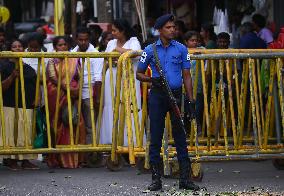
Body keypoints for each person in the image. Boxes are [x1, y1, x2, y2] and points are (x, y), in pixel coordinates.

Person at [136, 14, 200, 191]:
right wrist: (151, 80)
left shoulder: (181, 49)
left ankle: (185, 179)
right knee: (155, 136)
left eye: (174, 27)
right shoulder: (149, 50)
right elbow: (138, 73)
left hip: (177, 95)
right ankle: (156, 179)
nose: (173, 30)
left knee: (180, 136)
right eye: (169, 27)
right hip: (157, 95)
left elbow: (186, 75)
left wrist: (190, 100)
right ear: (159, 30)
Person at [46, 36, 86, 168]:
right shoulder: (52, 61)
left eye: (64, 45)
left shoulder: (74, 59)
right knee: (57, 125)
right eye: (59, 45)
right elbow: (52, 78)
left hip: (73, 97)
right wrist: (67, 89)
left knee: (75, 123)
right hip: (58, 97)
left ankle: (76, 159)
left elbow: (79, 77)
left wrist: (76, 90)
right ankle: (57, 159)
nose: (62, 47)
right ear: (55, 47)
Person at [100, 19, 141, 145]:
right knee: (111, 105)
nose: (112, 33)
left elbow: (137, 54)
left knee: (130, 105)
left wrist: (117, 50)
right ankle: (112, 139)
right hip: (111, 76)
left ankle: (131, 140)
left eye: (115, 30)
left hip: (128, 78)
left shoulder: (133, 41)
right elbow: (106, 59)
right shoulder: (111, 42)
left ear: (123, 31)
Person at [0, 39, 39, 170]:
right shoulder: (3, 67)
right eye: (14, 46)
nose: (17, 49)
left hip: (26, 105)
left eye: (20, 46)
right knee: (10, 132)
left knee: (26, 132)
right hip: (9, 105)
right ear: (9, 50)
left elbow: (35, 86)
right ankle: (10, 159)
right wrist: (11, 77)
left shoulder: (29, 69)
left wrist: (36, 99)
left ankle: (25, 160)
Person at [71, 27, 104, 146]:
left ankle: (90, 152)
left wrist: (98, 98)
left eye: (85, 40)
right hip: (73, 94)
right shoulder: (71, 54)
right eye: (80, 40)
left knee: (90, 125)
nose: (83, 42)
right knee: (74, 123)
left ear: (89, 39)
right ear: (76, 39)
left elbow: (98, 78)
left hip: (89, 93)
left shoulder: (95, 54)